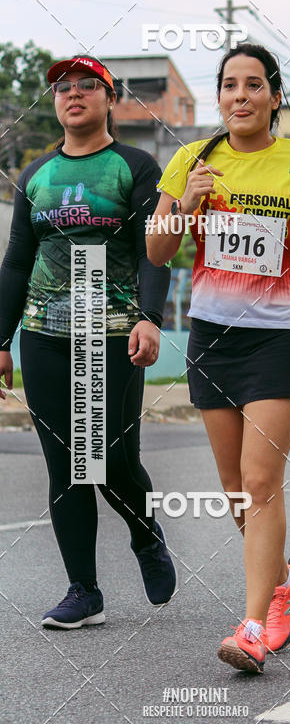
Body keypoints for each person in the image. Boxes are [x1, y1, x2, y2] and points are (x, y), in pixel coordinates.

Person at [147, 43, 290, 674]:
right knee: (235, 488)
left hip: (279, 337)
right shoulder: (192, 159)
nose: (240, 95)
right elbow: (156, 252)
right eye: (229, 85)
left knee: (261, 479)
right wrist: (185, 206)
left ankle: (251, 626)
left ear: (274, 96)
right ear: (219, 96)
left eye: (253, 84)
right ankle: (284, 584)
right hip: (214, 337)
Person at [0, 55, 176, 628]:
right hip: (45, 337)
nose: (72, 94)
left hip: (115, 333)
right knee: (66, 463)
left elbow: (154, 250)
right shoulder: (36, 175)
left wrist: (151, 317)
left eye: (86, 86)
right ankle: (84, 591)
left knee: (110, 460)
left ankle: (145, 535)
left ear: (109, 98)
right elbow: (16, 262)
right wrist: (1, 340)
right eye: (62, 88)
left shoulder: (135, 166)